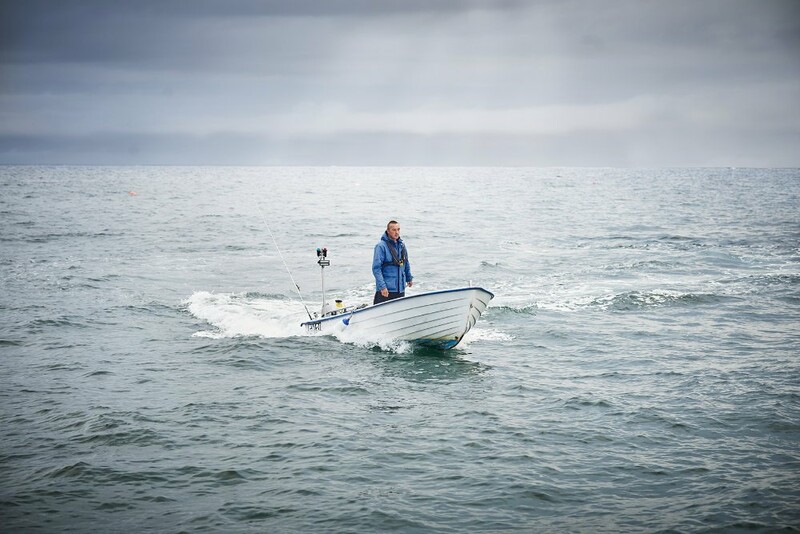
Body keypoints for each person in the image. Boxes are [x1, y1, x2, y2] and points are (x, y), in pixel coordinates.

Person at [372, 220, 413, 304]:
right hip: (386, 290)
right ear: (388, 231)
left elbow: (406, 263)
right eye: (394, 230)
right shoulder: (381, 246)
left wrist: (409, 278)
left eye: (398, 229)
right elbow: (376, 269)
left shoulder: (402, 245)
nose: (396, 232)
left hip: (400, 289)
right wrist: (382, 287)